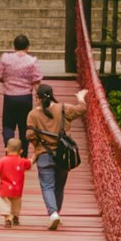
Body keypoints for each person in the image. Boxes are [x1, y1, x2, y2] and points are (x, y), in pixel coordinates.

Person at [26, 82, 88, 230]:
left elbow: (30, 135)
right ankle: (56, 213)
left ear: (37, 97)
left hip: (44, 155)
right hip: (63, 156)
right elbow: (82, 109)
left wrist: (39, 148)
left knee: (47, 186)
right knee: (59, 187)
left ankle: (53, 213)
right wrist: (81, 97)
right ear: (52, 94)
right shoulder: (63, 109)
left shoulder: (33, 114)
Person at [0, 33, 43, 149]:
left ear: (14, 46)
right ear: (27, 47)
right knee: (24, 127)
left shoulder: (5, 58)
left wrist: (7, 82)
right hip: (25, 97)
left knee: (8, 126)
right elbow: (36, 80)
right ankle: (23, 154)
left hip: (9, 97)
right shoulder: (32, 61)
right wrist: (40, 97)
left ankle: (10, 149)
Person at [0, 136, 32, 228]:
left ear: (6, 149)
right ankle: (15, 216)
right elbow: (30, 163)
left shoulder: (3, 160)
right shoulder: (22, 161)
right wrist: (35, 155)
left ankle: (8, 217)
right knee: (16, 202)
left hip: (5, 188)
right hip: (17, 189)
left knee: (4, 201)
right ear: (21, 151)